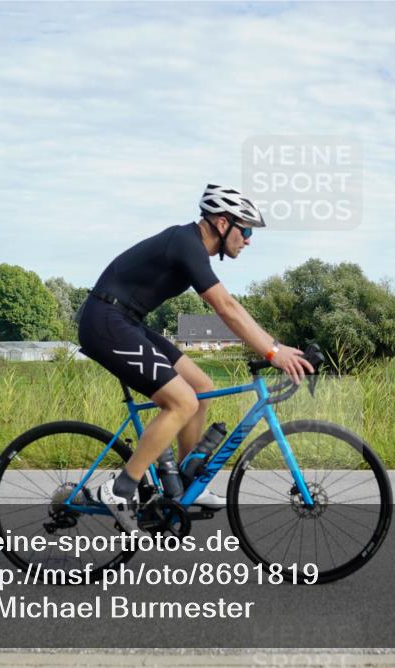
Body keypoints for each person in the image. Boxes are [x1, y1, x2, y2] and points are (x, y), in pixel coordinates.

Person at [78, 184, 315, 533]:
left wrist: (276, 346)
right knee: (181, 402)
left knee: (201, 386)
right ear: (222, 223)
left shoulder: (192, 248)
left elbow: (233, 308)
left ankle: (186, 484)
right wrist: (272, 352)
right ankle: (119, 488)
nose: (248, 240)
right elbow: (226, 307)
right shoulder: (186, 243)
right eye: (246, 229)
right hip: (105, 321)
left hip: (127, 320)